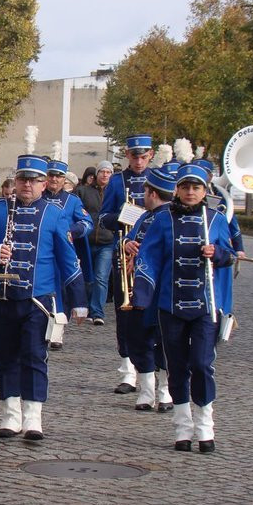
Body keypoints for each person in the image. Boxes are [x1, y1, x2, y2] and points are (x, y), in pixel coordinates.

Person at [0, 153, 87, 440]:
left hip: (38, 300)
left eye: (34, 180)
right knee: (6, 356)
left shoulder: (55, 213)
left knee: (35, 356)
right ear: (16, 180)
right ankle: (10, 414)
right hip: (2, 296)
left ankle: (33, 416)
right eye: (23, 179)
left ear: (43, 183)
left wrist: (79, 300)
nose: (27, 185)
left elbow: (67, 258)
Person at [132, 163, 235, 453]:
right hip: (170, 303)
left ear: (204, 191)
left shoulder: (215, 219)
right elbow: (148, 257)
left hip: (205, 304)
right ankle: (182, 426)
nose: (191, 192)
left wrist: (219, 254)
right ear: (177, 189)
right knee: (176, 367)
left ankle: (205, 426)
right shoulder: (162, 219)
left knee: (202, 364)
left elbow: (229, 254)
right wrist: (143, 290)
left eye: (197, 187)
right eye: (186, 187)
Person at [99, 134, 154, 394]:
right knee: (125, 314)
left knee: (152, 313)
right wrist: (125, 216)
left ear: (150, 155)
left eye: (144, 156)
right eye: (135, 156)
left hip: (153, 252)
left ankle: (153, 372)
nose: (139, 161)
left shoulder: (158, 178)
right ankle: (127, 371)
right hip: (125, 253)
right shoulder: (118, 181)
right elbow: (104, 217)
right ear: (127, 155)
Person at [121, 166, 175, 412]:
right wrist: (128, 243)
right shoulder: (143, 216)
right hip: (139, 290)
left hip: (162, 288)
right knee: (137, 339)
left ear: (153, 193)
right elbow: (126, 237)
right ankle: (146, 391)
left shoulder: (172, 219)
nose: (143, 194)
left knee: (164, 341)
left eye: (145, 190)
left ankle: (164, 392)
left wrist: (142, 254)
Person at [43, 160, 94, 349]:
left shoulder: (72, 201)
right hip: (43, 252)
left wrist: (70, 231)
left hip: (63, 252)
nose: (54, 179)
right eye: (51, 175)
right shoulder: (39, 197)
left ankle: (58, 331)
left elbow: (87, 223)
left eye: (58, 176)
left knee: (62, 291)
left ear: (64, 179)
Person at [78, 160, 114, 325]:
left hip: (107, 241)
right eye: (102, 171)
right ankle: (86, 308)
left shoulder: (114, 193)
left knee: (101, 277)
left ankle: (97, 311)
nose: (105, 174)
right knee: (87, 277)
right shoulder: (84, 191)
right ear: (96, 174)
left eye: (108, 172)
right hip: (87, 240)